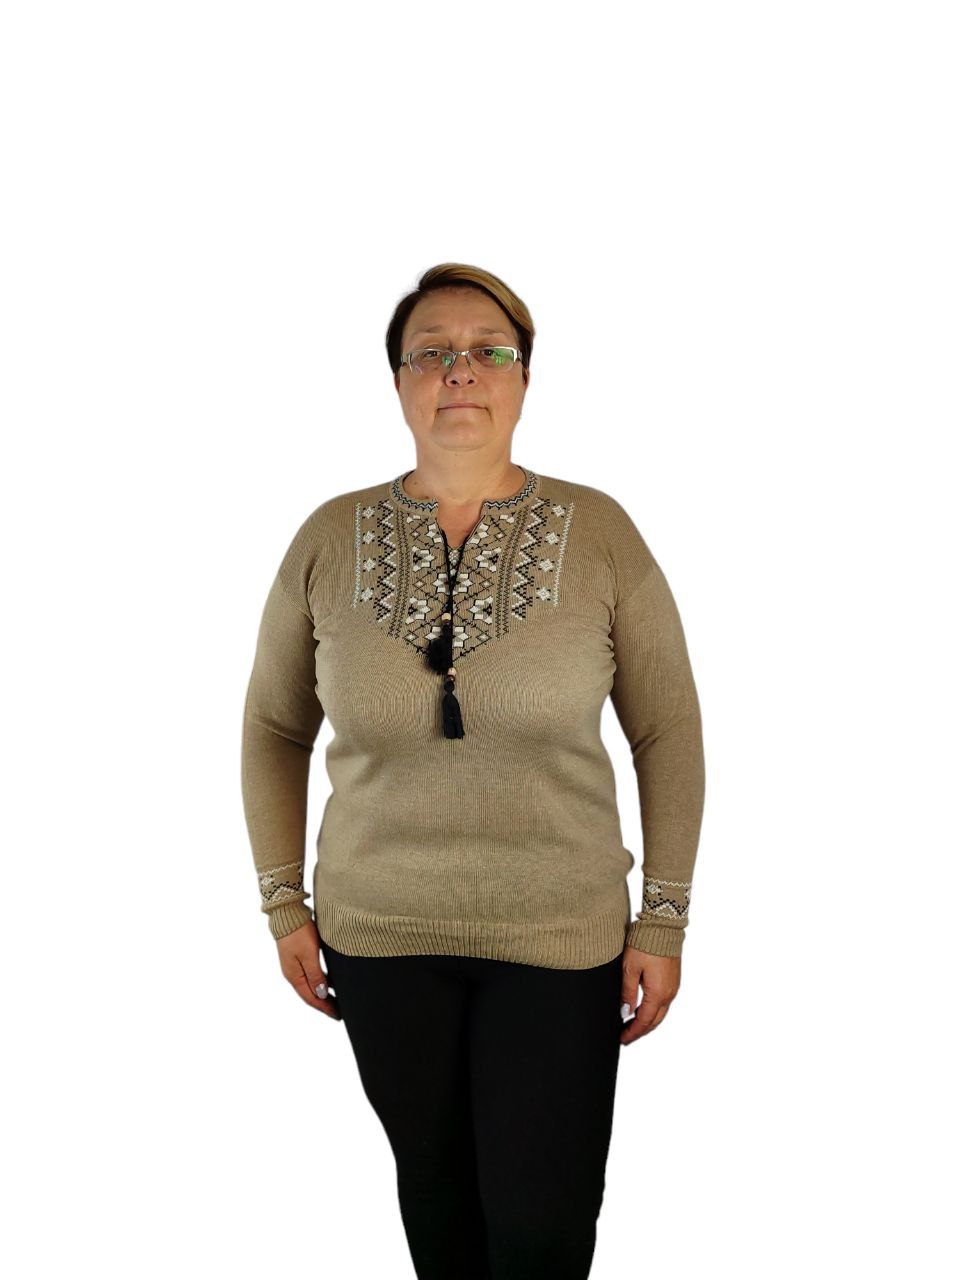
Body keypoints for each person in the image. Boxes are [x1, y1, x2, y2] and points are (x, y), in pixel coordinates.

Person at [240, 262, 706, 1279]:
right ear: (399, 382)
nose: (460, 370)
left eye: (489, 350)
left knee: (542, 1230)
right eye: (432, 352)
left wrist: (664, 917)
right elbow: (274, 725)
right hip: (379, 937)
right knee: (440, 1212)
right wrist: (283, 901)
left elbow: (667, 728)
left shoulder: (600, 533)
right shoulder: (328, 537)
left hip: (560, 938)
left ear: (524, 378)